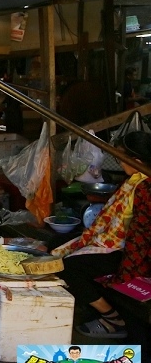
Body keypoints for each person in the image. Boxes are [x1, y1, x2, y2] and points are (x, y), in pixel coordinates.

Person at [52, 131, 151, 339]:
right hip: (114, 242)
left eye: (121, 157)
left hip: (129, 253)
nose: (118, 160)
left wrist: (125, 272)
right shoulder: (134, 179)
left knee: (68, 268)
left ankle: (113, 319)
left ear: (136, 161)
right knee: (55, 243)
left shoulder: (145, 188)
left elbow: (141, 236)